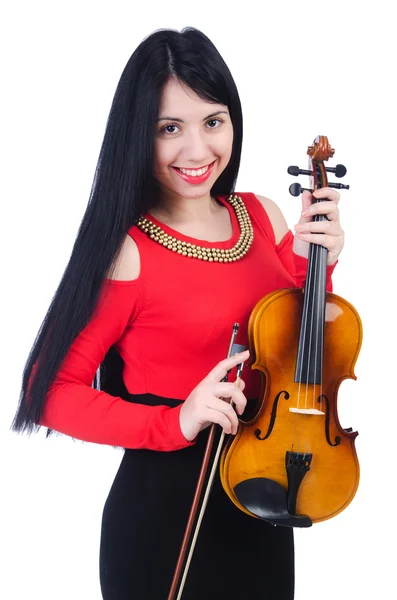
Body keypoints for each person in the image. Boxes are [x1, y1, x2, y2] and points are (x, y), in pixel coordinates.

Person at [12, 27, 344, 600]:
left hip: (266, 497)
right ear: (138, 136)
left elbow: (296, 350)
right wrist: (176, 422)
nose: (198, 151)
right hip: (162, 518)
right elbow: (50, 391)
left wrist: (323, 264)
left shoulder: (264, 217)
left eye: (213, 121)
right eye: (170, 129)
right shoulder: (128, 251)